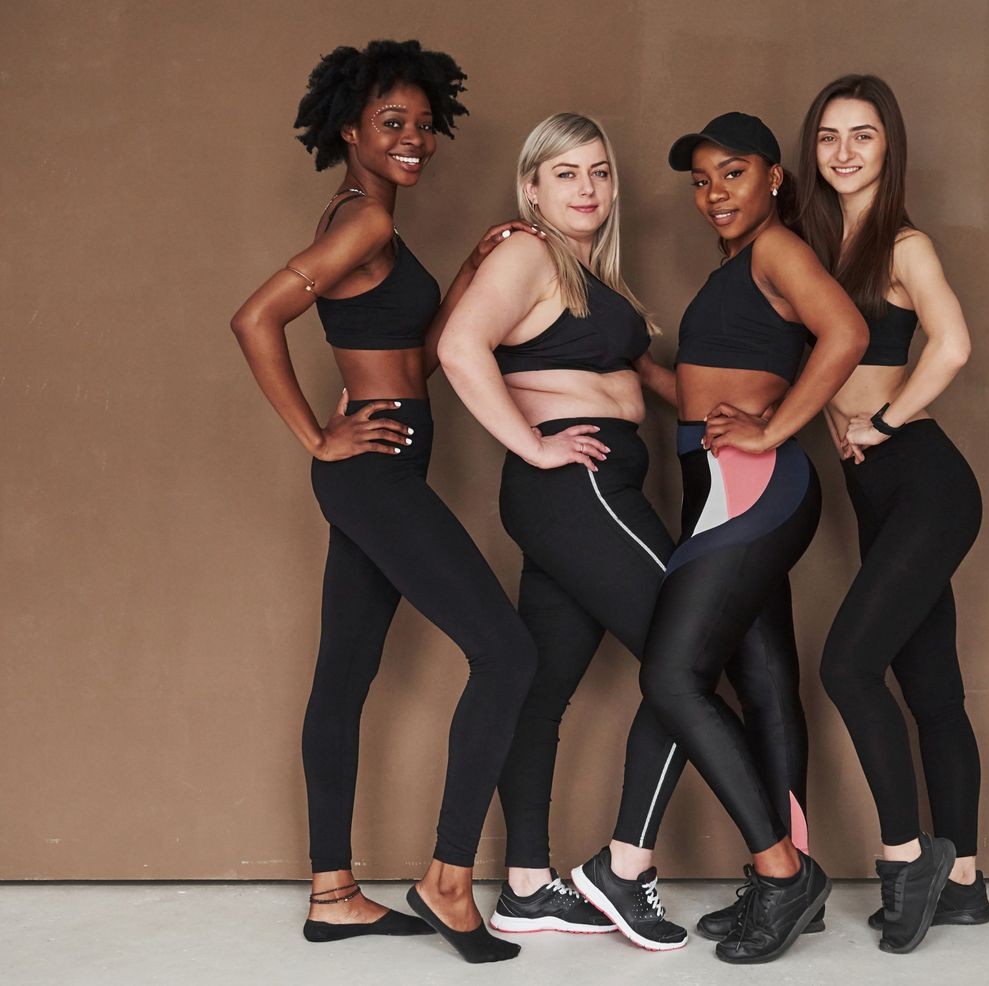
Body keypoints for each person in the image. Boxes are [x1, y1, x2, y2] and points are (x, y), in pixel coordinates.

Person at [230, 39, 541, 964]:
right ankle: (447, 885)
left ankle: (334, 894)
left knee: (344, 676)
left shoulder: (375, 223)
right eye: (390, 124)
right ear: (349, 131)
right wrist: (317, 435)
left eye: (422, 123)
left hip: (381, 472)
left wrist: (466, 280)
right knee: (508, 650)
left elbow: (413, 353)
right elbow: (254, 320)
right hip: (371, 471)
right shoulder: (362, 222)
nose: (413, 139)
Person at [438, 112, 690, 951]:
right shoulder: (528, 252)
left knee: (541, 691)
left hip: (590, 490)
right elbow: (458, 345)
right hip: (575, 487)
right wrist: (533, 445)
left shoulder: (589, 274)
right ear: (532, 187)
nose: (588, 189)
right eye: (567, 174)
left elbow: (635, 375)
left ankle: (526, 886)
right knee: (688, 658)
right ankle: (627, 866)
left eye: (600, 173)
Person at [632, 112, 867, 964]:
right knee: (763, 681)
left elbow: (846, 334)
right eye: (700, 181)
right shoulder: (735, 267)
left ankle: (782, 874)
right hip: (718, 485)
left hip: (756, 487)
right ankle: (787, 874)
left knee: (672, 674)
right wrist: (624, 353)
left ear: (772, 176)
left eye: (731, 174)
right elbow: (696, 393)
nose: (713, 194)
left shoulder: (777, 249)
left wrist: (774, 432)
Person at [796, 74, 989, 955]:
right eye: (830, 137)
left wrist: (881, 420)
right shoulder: (812, 246)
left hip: (925, 483)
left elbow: (952, 345)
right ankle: (964, 884)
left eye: (862, 136)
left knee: (846, 666)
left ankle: (906, 859)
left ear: (889, 146)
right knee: (932, 690)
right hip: (878, 496)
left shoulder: (903, 246)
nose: (843, 152)